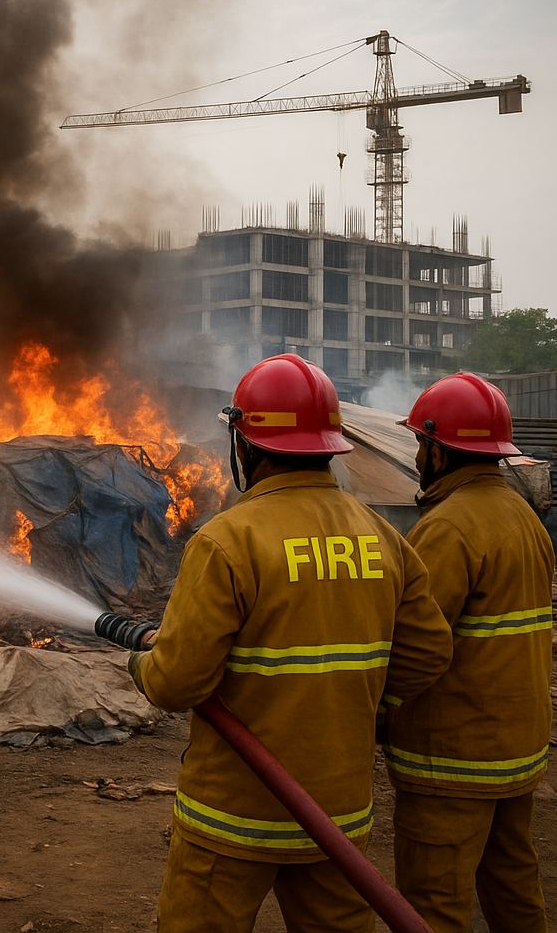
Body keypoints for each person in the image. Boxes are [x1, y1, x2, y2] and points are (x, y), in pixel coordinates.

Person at [129, 354, 453, 933]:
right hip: (337, 814)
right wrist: (361, 700)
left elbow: (176, 683)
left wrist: (142, 664)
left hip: (234, 813)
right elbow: (429, 651)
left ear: (245, 443)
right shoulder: (382, 536)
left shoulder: (227, 540)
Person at [385, 373, 554, 933]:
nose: (416, 456)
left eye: (420, 444)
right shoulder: (523, 517)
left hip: (453, 757)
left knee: (433, 902)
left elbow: (414, 643)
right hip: (517, 747)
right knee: (513, 885)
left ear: (439, 450)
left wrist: (376, 710)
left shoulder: (448, 527)